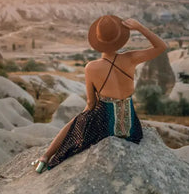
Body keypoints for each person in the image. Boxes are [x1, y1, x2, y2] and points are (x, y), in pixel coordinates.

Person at [32, 15, 168, 173]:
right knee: (82, 120)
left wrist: (80, 121)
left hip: (105, 128)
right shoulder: (130, 58)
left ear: (98, 41)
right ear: (119, 39)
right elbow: (161, 46)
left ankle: (45, 157)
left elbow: (91, 104)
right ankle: (46, 156)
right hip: (132, 129)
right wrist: (140, 27)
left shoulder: (91, 67)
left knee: (76, 121)